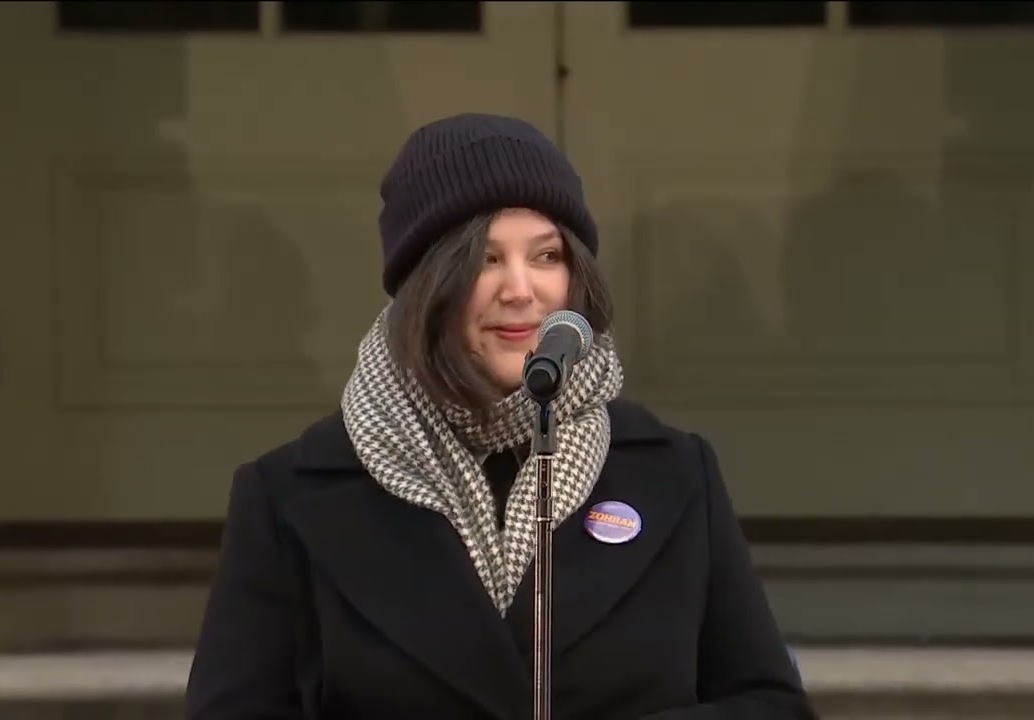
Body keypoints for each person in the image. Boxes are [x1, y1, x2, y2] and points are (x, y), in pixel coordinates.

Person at [185, 112, 817, 720]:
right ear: (422, 286)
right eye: (485, 259)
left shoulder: (674, 472)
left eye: (546, 256)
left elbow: (771, 703)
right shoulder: (292, 494)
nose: (521, 289)